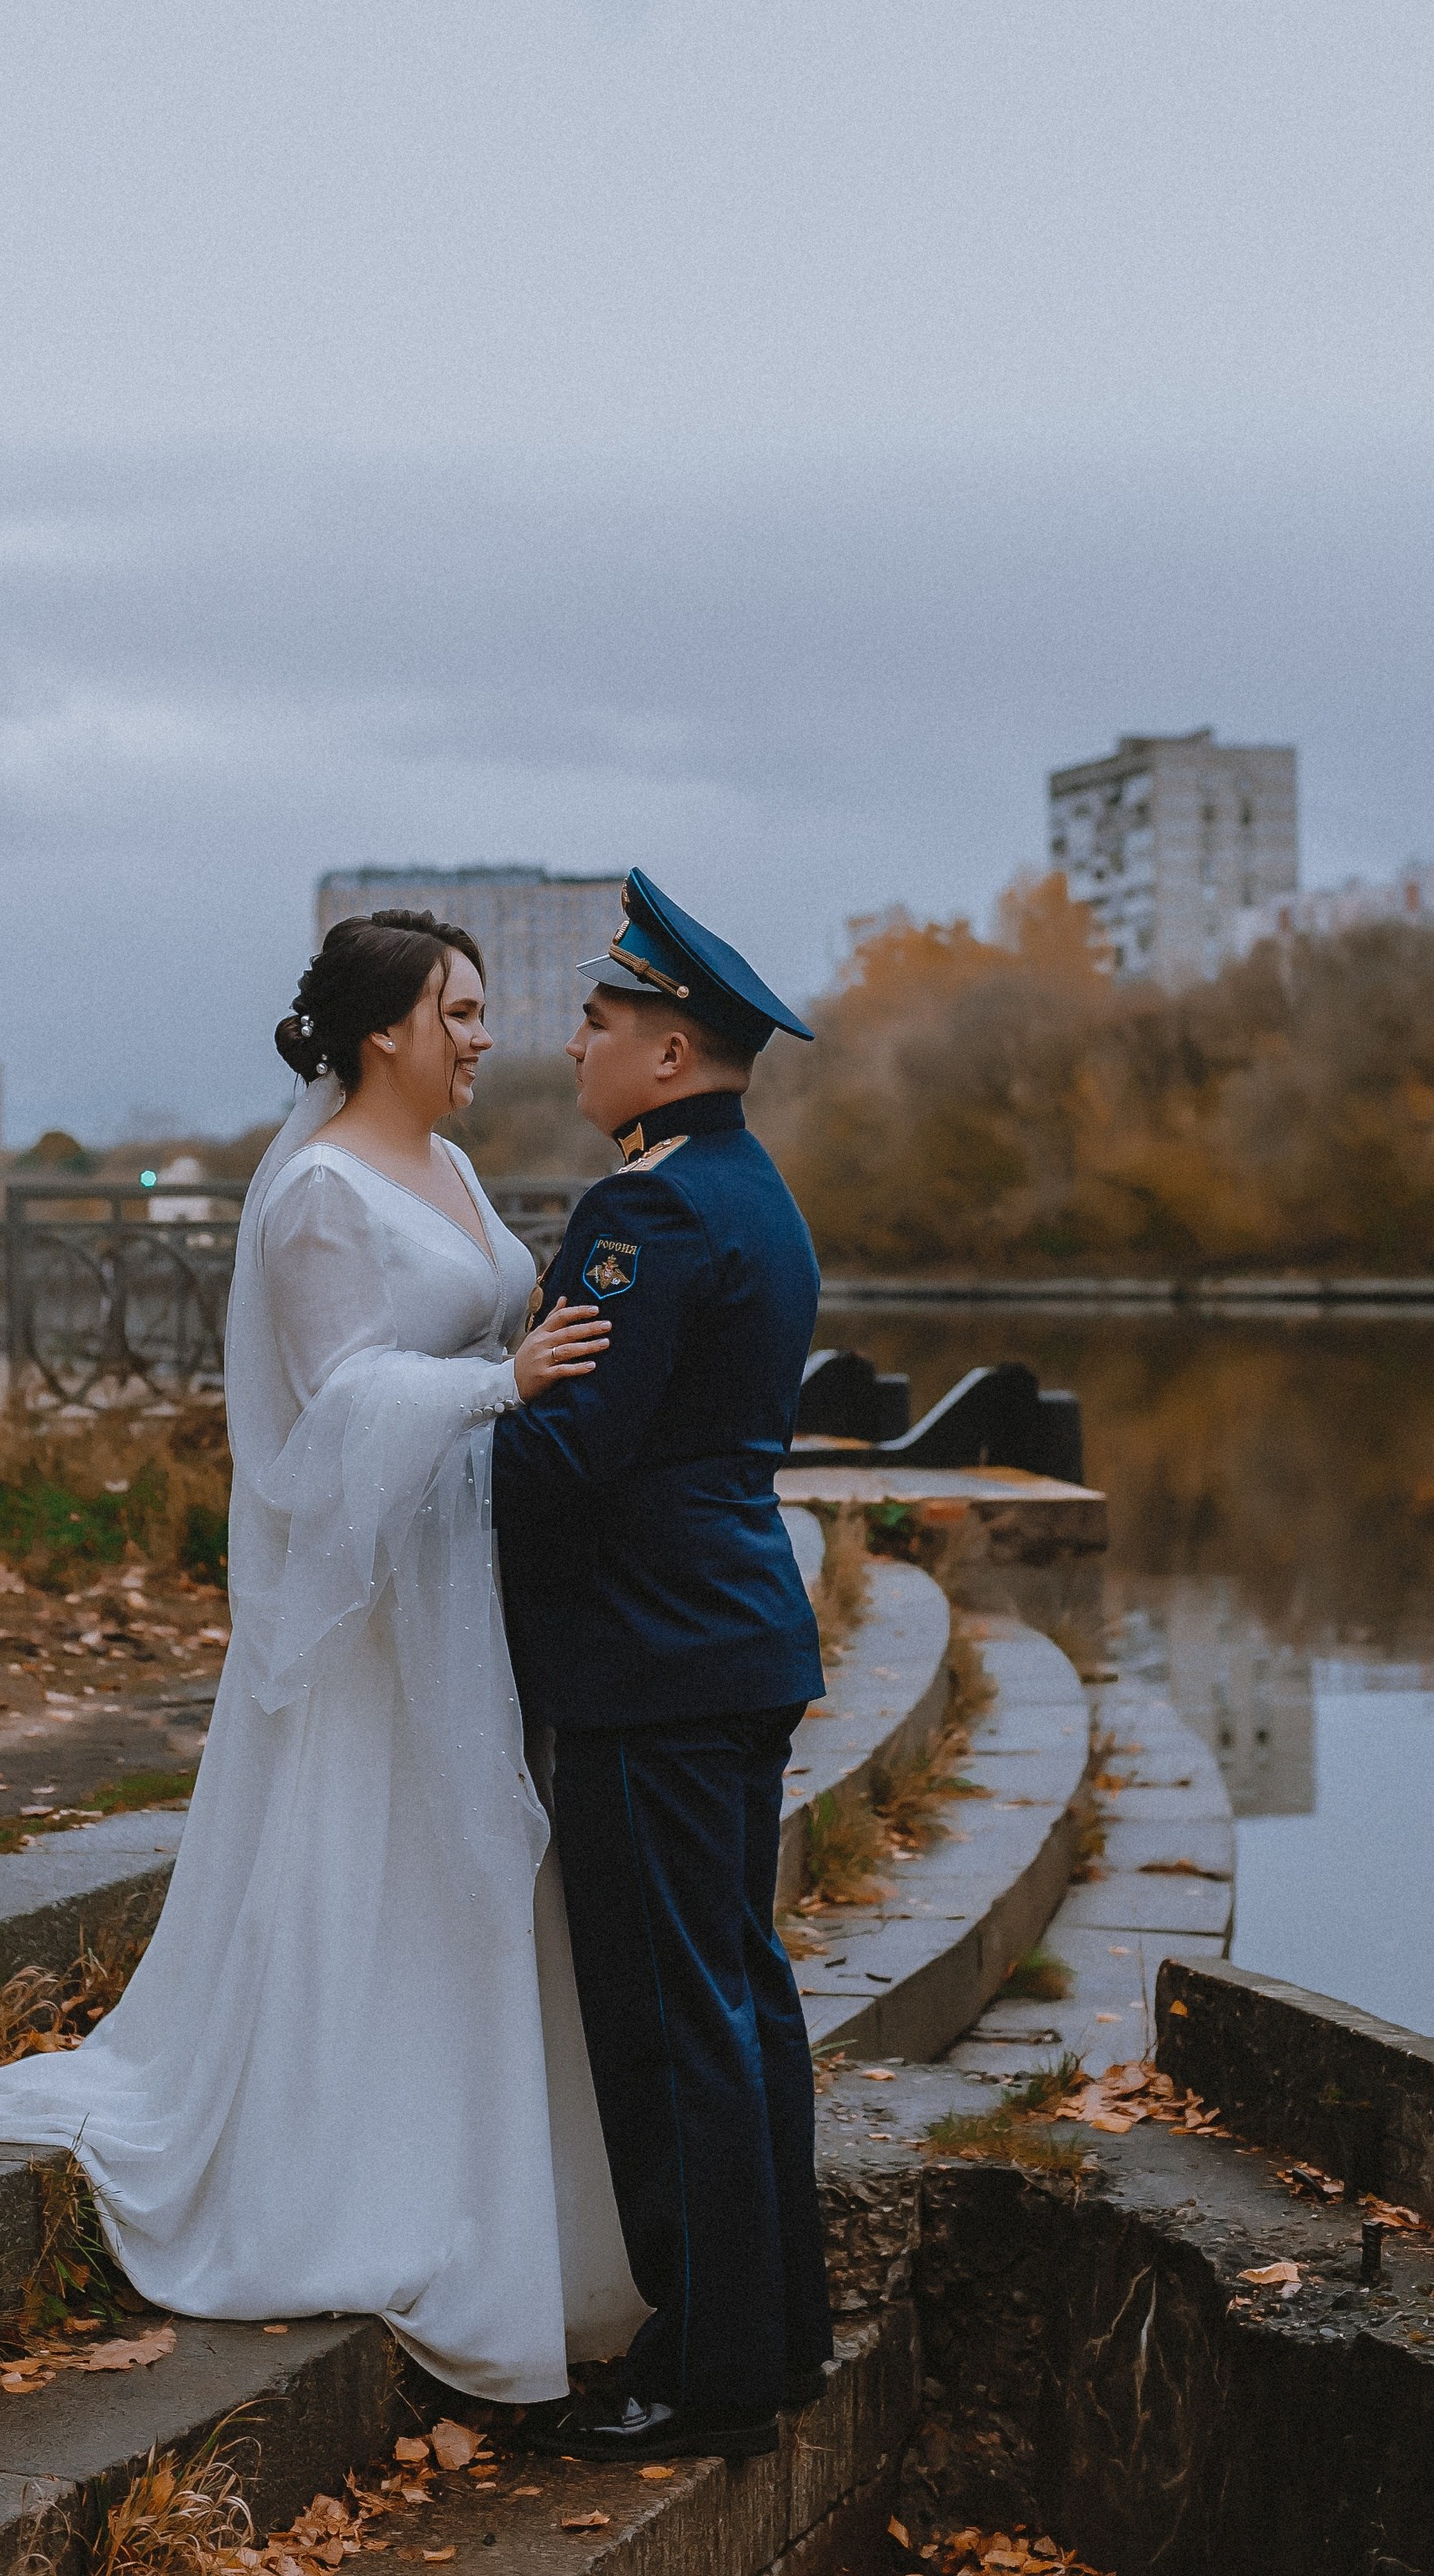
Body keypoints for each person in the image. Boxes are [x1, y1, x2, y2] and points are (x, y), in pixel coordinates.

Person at [0, 912, 646, 2401]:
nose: (483, 1036)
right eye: (458, 1010)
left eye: (481, 1011)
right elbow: (333, 1412)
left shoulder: (448, 1168)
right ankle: (351, 2174)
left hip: (466, 1576)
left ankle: (482, 2162)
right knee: (381, 1855)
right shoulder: (317, 1190)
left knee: (468, 1863)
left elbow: (463, 1335)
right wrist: (498, 1385)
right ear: (382, 1030)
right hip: (375, 1601)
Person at [492, 869, 832, 2462]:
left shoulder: (648, 1212)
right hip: (732, 1640)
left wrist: (434, 1435)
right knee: (741, 1995)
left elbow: (574, 1450)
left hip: (651, 1658)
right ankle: (772, 2330)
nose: (574, 1044)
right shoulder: (755, 1189)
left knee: (667, 2017)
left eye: (598, 1019)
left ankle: (699, 2366)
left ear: (671, 1051)